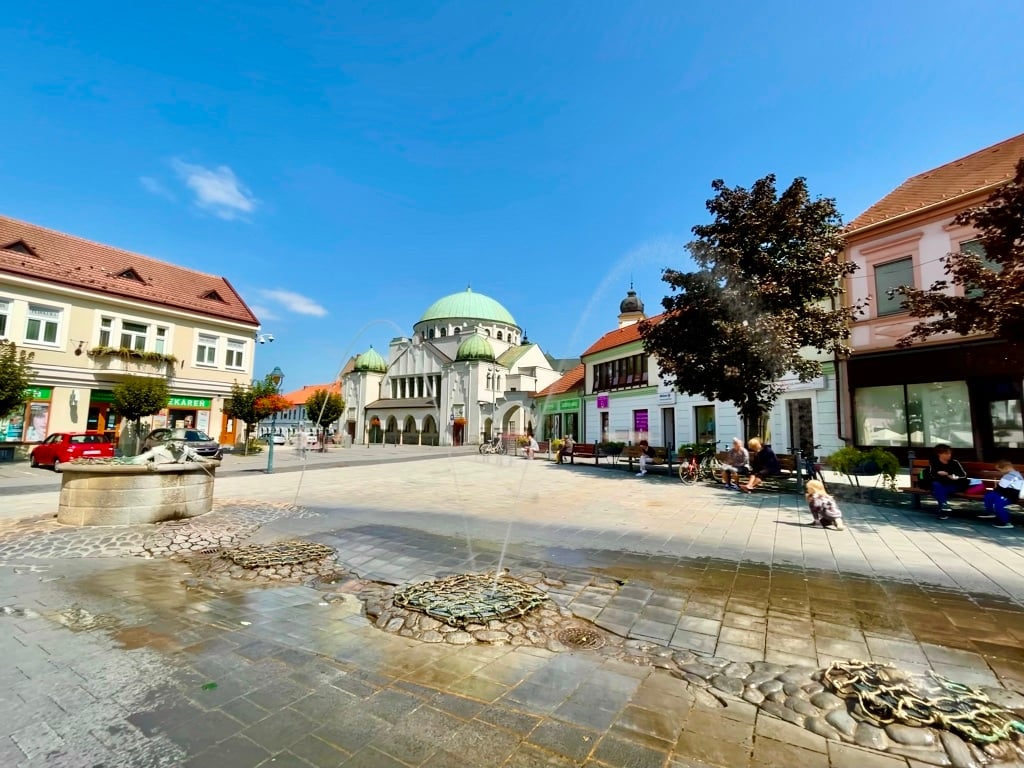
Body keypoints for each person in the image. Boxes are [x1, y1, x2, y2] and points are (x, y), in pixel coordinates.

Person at [927, 443, 971, 519]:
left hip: (955, 484)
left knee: (939, 489)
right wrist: (938, 473)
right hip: (941, 484)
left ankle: (943, 508)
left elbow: (963, 475)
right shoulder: (935, 462)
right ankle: (943, 507)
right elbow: (932, 474)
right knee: (936, 485)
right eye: (946, 453)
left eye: (950, 453)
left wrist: (954, 476)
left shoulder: (954, 463)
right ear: (939, 454)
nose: (949, 455)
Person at [984, 460, 1022, 529]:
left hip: (1010, 496)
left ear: (1006, 468)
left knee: (998, 504)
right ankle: (991, 512)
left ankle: (1006, 522)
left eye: (1000, 470)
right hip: (1006, 493)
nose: (1000, 472)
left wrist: (996, 489)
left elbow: (1000, 487)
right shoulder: (1015, 473)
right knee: (989, 495)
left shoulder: (1009, 476)